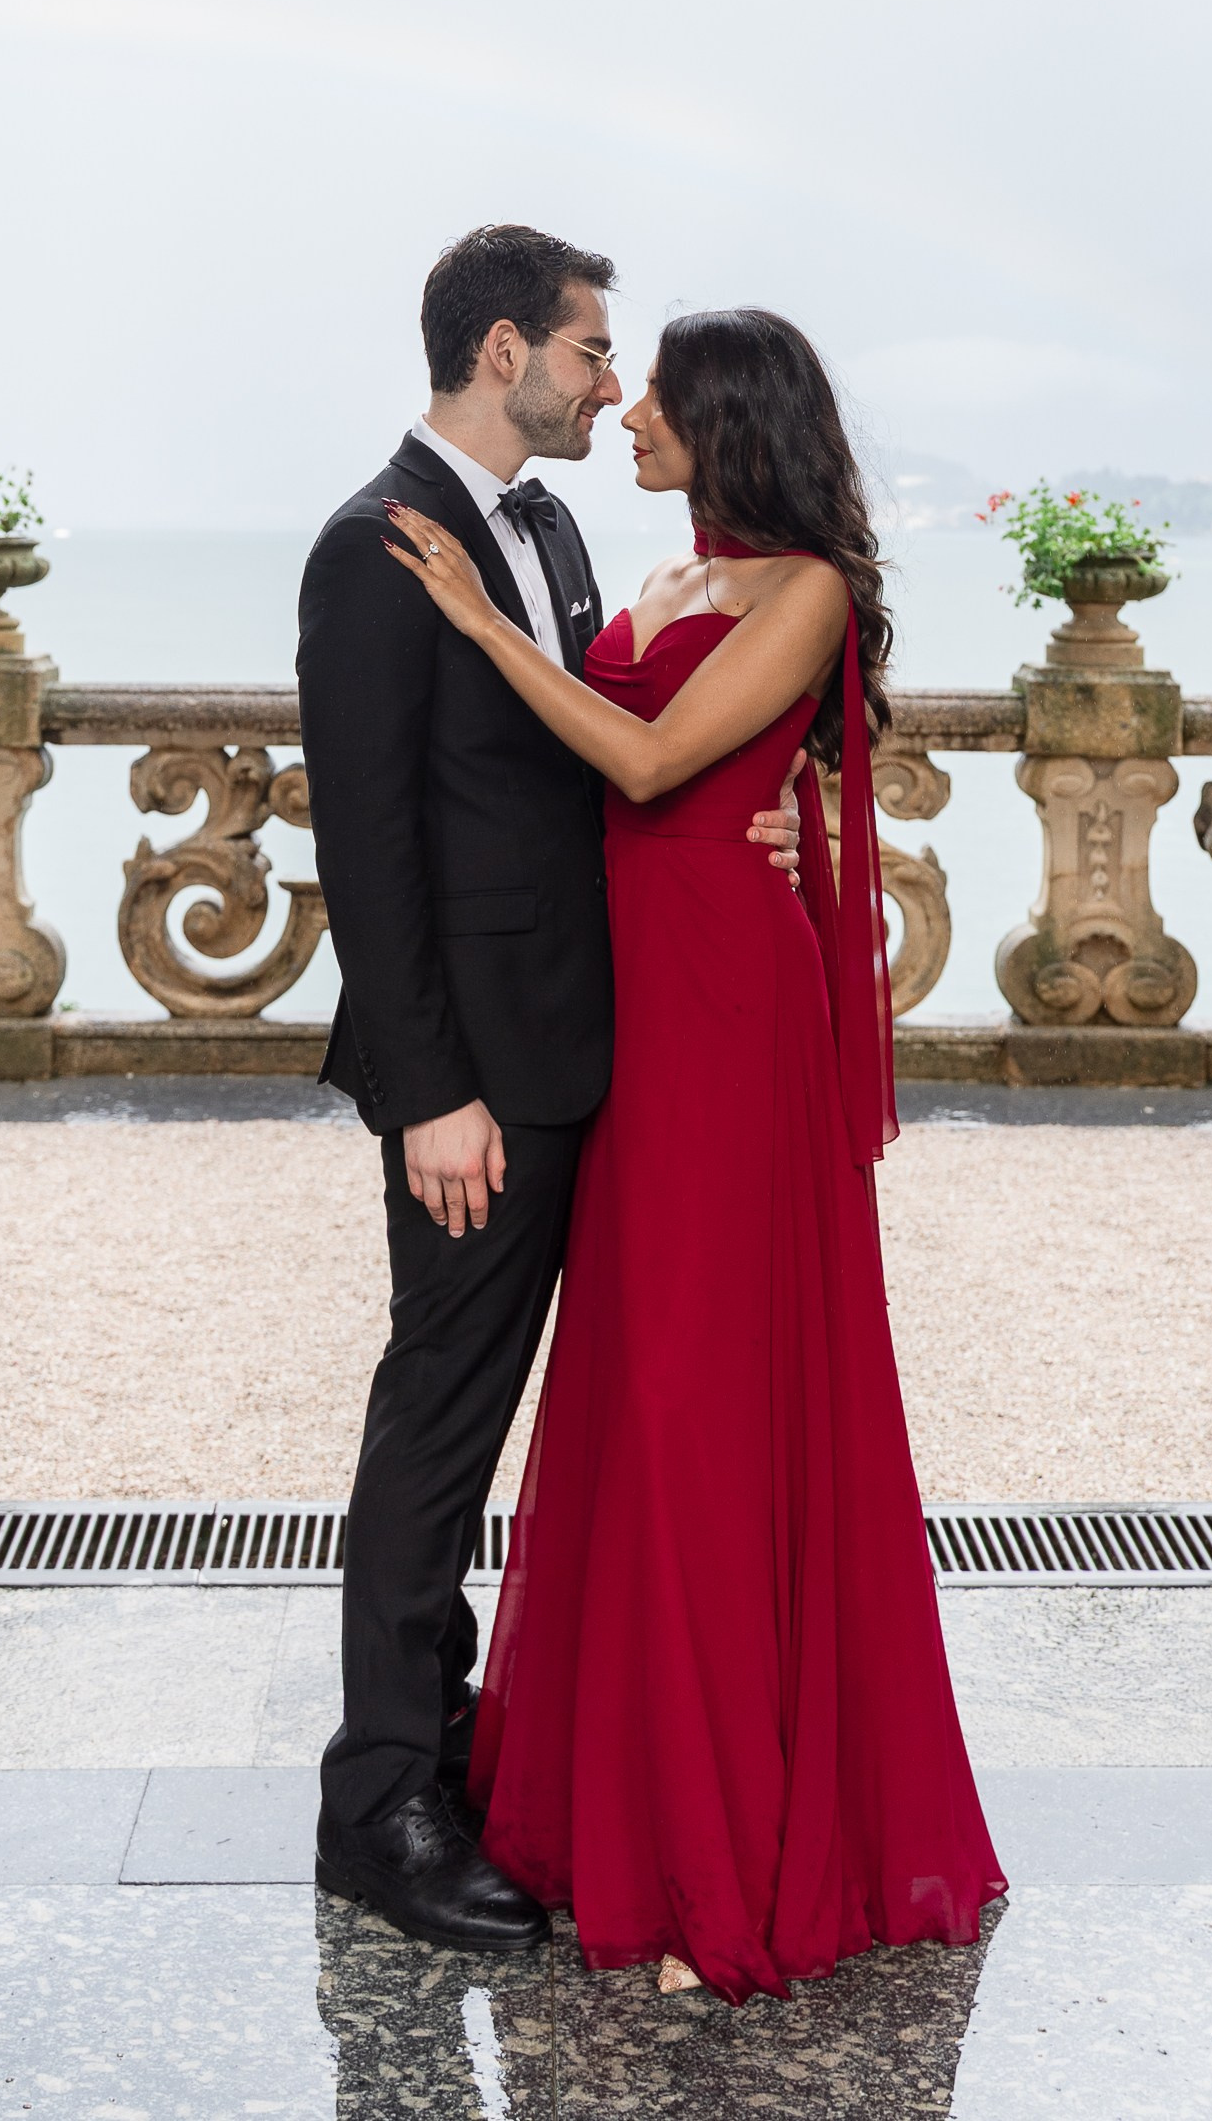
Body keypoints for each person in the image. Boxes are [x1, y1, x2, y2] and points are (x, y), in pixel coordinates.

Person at [381, 305, 1004, 2005]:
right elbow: (590, 788)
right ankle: (621, 1809)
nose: (628, 411)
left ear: (726, 421)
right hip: (625, 1019)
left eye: (653, 389)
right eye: (619, 375)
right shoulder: (637, 585)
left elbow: (653, 758)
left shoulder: (799, 589)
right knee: (630, 1386)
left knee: (703, 1396)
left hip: (728, 1016)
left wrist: (471, 621)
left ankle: (727, 1842)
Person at [300, 227, 806, 1955]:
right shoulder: (374, 549)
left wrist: (789, 822)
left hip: (611, 1057)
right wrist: (432, 1091)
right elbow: (368, 848)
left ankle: (475, 1762)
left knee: (587, 1422)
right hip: (478, 1087)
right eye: (593, 351)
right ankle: (380, 1805)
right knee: (440, 1419)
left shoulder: (564, 530)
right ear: (504, 347)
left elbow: (613, 773)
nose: (612, 383)